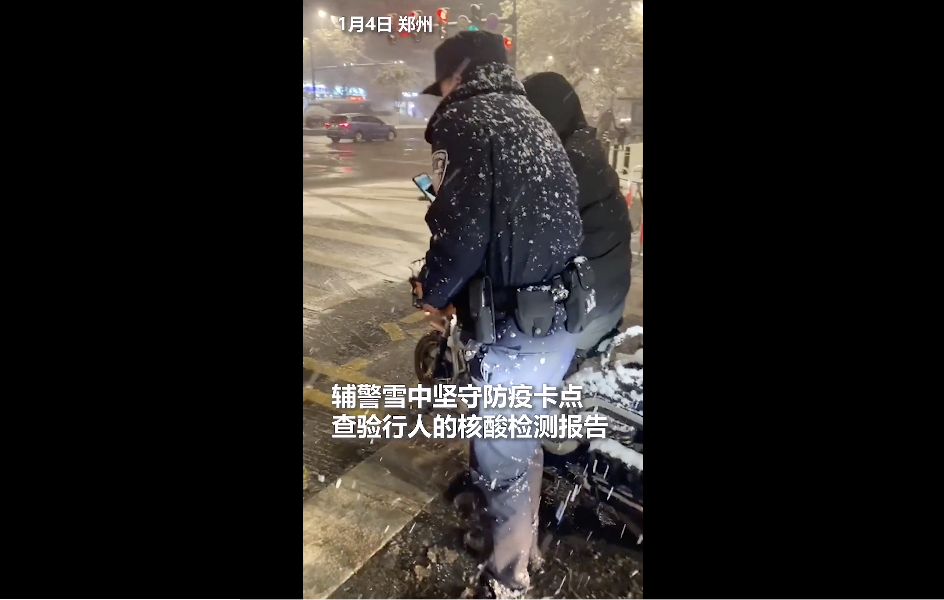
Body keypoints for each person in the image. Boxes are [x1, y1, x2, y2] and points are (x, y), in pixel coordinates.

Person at [415, 31, 585, 599]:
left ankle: (508, 579)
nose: (441, 94)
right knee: (520, 441)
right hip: (555, 320)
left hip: (514, 331)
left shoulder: (467, 121)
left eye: (442, 82)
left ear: (459, 72)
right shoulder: (530, 119)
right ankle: (522, 548)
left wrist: (433, 291)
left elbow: (459, 232)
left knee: (502, 458)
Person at [522, 72, 633, 358]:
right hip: (608, 305)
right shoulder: (589, 154)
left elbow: (523, 247)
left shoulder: (560, 167)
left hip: (579, 319)